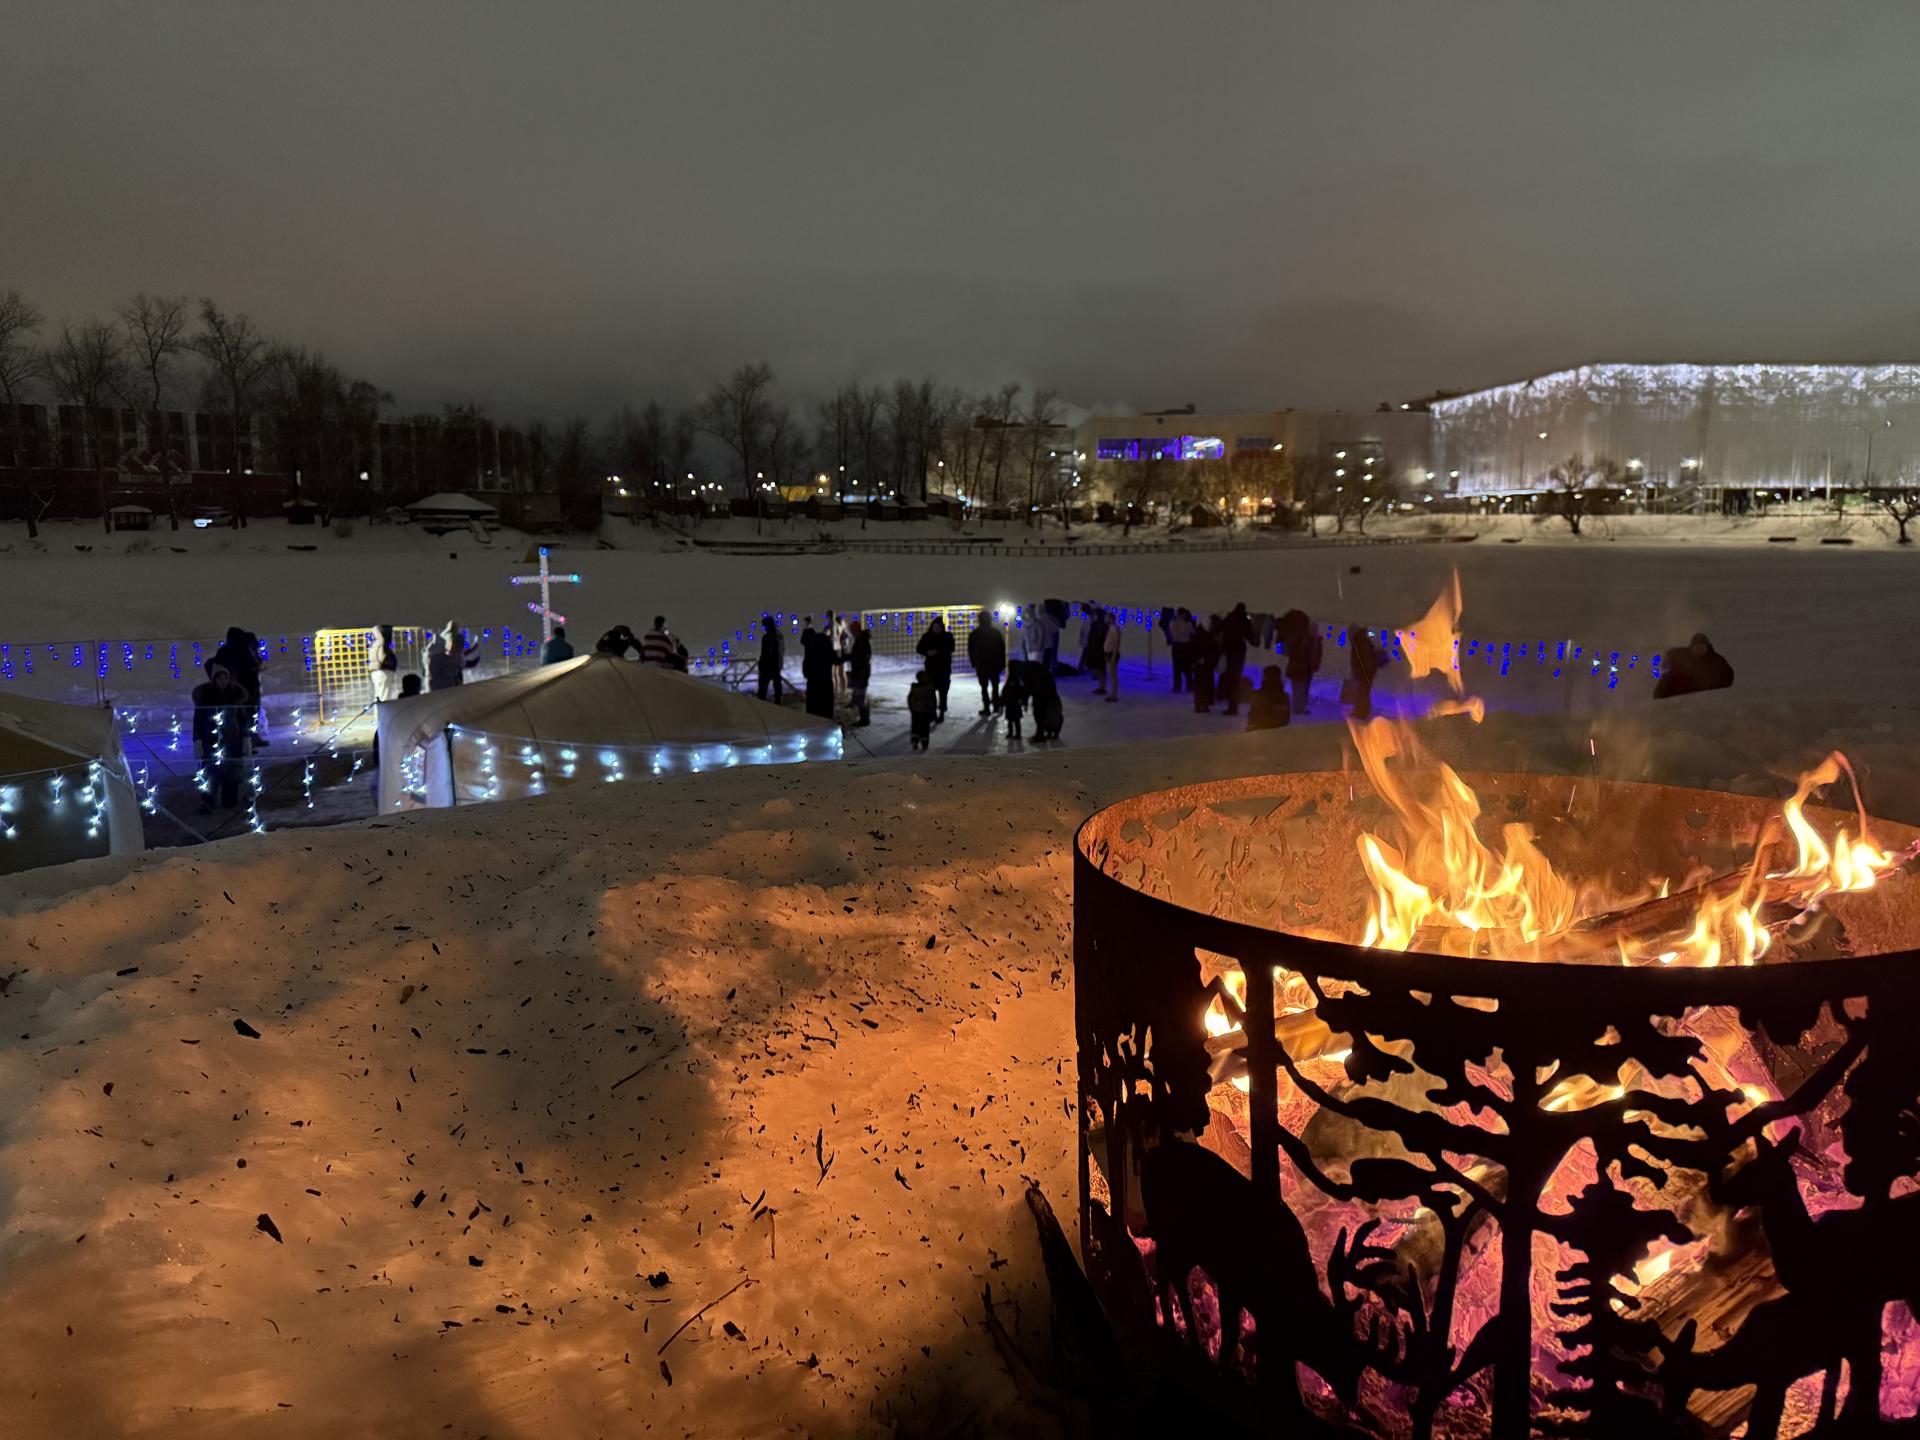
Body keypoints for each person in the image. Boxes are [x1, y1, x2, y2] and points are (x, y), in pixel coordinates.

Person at [191, 659, 250, 811]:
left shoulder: (235, 697)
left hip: (232, 740)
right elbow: (198, 720)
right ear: (214, 679)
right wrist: (197, 739)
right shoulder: (205, 698)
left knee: (232, 771)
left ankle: (229, 801)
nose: (222, 681)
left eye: (225, 678)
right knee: (211, 772)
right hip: (211, 740)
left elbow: (242, 720)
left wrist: (246, 738)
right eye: (219, 678)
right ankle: (208, 803)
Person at [213, 626, 264, 744]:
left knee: (246, 715)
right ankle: (245, 741)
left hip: (246, 688)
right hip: (239, 689)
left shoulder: (231, 651)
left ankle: (247, 740)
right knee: (241, 716)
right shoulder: (237, 651)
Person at [1653, 633, 1735, 699]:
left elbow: (1727, 675)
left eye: (1702, 647)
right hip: (1679, 693)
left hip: (1705, 695)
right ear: (1691, 647)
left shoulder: (1716, 660)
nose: (1699, 650)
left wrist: (1714, 688)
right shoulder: (1681, 655)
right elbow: (1670, 659)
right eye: (1696, 647)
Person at [1282, 609, 1321, 717]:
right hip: (1303, 670)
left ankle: (1298, 707)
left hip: (1299, 669)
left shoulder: (1298, 638)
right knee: (1301, 689)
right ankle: (1299, 708)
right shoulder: (1309, 640)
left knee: (1299, 689)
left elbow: (1287, 652)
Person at [916, 615, 955, 722]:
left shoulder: (947, 636)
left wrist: (939, 652)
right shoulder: (927, 636)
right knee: (930, 692)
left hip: (944, 668)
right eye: (935, 626)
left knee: (943, 692)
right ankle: (932, 713)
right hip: (931, 669)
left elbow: (951, 648)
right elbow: (919, 648)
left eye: (938, 627)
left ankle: (942, 712)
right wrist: (927, 652)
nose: (936, 628)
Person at [969, 612, 1007, 715]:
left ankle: (987, 708)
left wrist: (974, 662)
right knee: (995, 687)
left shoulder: (974, 634)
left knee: (984, 687)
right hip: (994, 664)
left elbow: (971, 650)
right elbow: (1002, 649)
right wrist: (1002, 663)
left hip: (981, 665)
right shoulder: (995, 633)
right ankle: (995, 706)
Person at [1220, 602, 1253, 716]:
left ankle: (1231, 703)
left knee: (1230, 677)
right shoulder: (1244, 620)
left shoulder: (1230, 618)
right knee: (1236, 677)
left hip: (1228, 650)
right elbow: (1251, 636)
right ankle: (1234, 704)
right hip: (1239, 651)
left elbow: (1219, 627)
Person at [427, 621, 479, 691]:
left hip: (436, 684)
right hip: (448, 679)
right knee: (457, 685)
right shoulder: (454, 637)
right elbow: (452, 669)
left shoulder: (432, 655)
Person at [801, 616, 836, 719]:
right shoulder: (824, 646)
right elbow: (835, 659)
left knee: (814, 711)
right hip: (825, 684)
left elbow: (806, 669)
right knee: (825, 711)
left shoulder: (812, 651)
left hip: (814, 686)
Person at [1347, 625, 1383, 720]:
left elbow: (1365, 660)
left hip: (1365, 673)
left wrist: (1360, 672)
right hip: (1365, 672)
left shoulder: (1361, 643)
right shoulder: (1360, 642)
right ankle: (1361, 711)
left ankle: (1362, 712)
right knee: (1362, 692)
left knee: (1363, 692)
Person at [1247, 665, 1291, 731]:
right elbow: (1285, 716)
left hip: (1261, 726)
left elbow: (1253, 713)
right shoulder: (1284, 695)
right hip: (1279, 726)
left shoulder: (1260, 693)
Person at [1029, 661, 1064, 741]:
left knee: (1048, 718)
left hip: (1048, 705)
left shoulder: (1041, 681)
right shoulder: (1046, 680)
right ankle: (1050, 733)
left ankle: (1050, 733)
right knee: (1048, 718)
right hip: (1049, 704)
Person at [1191, 615, 1219, 712]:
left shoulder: (1206, 634)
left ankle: (1203, 703)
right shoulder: (1202, 635)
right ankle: (1201, 704)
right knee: (1202, 685)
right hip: (1202, 664)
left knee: (1204, 684)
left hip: (1206, 664)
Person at [848, 620, 872, 726]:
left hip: (861, 672)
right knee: (860, 695)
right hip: (861, 672)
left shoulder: (861, 641)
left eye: (852, 630)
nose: (851, 632)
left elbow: (860, 658)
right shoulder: (861, 640)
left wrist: (861, 673)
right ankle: (864, 717)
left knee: (860, 696)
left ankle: (864, 719)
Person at [369, 623, 401, 702]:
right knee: (384, 696)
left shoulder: (376, 642)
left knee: (379, 695)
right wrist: (391, 663)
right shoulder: (382, 642)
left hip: (378, 671)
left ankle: (379, 712)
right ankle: (383, 713)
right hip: (383, 671)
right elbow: (382, 657)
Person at [756, 615, 785, 703]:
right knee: (777, 687)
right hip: (776, 665)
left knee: (763, 689)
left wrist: (761, 665)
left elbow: (765, 653)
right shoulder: (779, 635)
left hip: (767, 666)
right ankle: (778, 702)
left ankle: (761, 706)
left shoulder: (767, 638)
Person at [1167, 607, 1196, 693]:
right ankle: (1187, 685)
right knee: (1184, 667)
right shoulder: (1186, 623)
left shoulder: (1174, 622)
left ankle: (1179, 685)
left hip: (1179, 646)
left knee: (1180, 667)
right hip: (1183, 645)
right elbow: (1193, 632)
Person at [907, 669, 936, 750]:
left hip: (915, 711)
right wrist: (932, 709)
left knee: (915, 726)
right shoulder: (929, 688)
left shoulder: (914, 688)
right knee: (924, 727)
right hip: (925, 711)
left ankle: (915, 741)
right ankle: (924, 742)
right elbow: (932, 700)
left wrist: (912, 708)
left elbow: (910, 698)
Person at [1002, 659, 1029, 740]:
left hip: (1011, 704)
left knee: (1012, 721)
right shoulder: (1017, 681)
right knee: (1015, 721)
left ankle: (1013, 733)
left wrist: (1003, 701)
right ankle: (1016, 734)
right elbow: (1022, 691)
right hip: (1015, 704)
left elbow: (1005, 692)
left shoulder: (1011, 681)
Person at [830, 610, 852, 699]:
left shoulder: (842, 632)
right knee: (841, 672)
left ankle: (840, 691)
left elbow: (840, 642)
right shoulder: (845, 632)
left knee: (838, 672)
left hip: (840, 652)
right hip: (843, 652)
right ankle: (842, 690)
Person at [1102, 609, 1121, 701]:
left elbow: (1116, 643)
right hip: (1108, 653)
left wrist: (1113, 655)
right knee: (1111, 675)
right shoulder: (1110, 628)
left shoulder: (1114, 629)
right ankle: (1112, 694)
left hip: (1112, 653)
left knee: (1113, 675)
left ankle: (1114, 695)